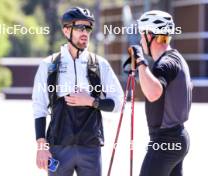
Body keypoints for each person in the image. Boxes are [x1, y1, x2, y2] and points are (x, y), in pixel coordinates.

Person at [32, 7, 123, 176]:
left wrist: (91, 101)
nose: (85, 33)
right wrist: (41, 148)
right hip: (58, 148)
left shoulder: (100, 64)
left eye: (88, 28)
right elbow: (39, 109)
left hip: (90, 149)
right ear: (66, 30)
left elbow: (118, 103)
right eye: (80, 28)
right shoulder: (48, 65)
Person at [129, 10, 192, 176]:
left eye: (142, 35)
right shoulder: (176, 58)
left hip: (165, 140)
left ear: (151, 35)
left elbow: (153, 93)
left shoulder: (165, 63)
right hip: (176, 138)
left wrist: (141, 62)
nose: (141, 40)